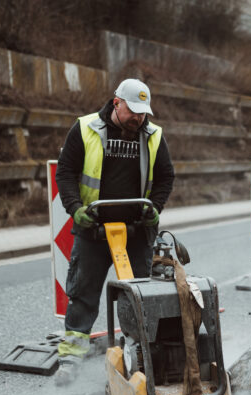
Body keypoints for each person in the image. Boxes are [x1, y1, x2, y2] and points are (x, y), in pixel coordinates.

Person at [55, 78, 175, 379]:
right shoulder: (85, 128)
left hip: (135, 232)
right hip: (93, 230)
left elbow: (165, 178)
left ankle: (139, 355)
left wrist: (154, 209)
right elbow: (65, 173)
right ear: (116, 102)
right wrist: (74, 209)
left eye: (143, 112)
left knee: (139, 297)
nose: (138, 118)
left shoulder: (153, 135)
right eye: (133, 110)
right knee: (83, 292)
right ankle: (71, 359)